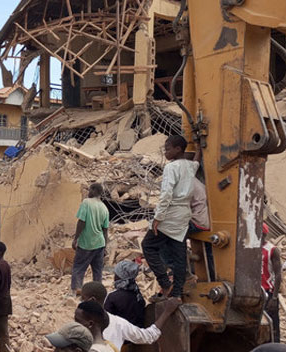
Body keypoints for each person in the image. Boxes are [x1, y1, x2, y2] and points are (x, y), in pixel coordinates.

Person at [142, 135, 200, 300]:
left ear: (178, 149)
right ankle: (176, 294)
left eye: (168, 149)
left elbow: (166, 194)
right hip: (184, 215)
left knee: (148, 245)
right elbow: (196, 161)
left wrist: (158, 217)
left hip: (171, 213)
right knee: (179, 254)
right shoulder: (190, 166)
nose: (165, 152)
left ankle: (166, 284)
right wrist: (199, 148)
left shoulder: (171, 168)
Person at [81, 281, 179, 351]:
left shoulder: (81, 322)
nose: (80, 301)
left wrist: (167, 311)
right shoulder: (119, 323)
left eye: (83, 298)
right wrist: (166, 312)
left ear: (92, 300)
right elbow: (148, 336)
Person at [71, 182, 110, 294]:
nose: (88, 192)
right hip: (100, 243)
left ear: (93, 190)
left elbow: (82, 221)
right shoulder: (104, 208)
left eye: (89, 190)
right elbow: (105, 229)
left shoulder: (86, 203)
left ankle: (77, 289)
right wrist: (105, 246)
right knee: (97, 270)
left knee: (79, 267)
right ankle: (97, 293)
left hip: (87, 242)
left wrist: (76, 238)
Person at [103, 260, 145, 327]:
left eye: (116, 274)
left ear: (119, 276)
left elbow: (106, 319)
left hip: (120, 333)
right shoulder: (137, 294)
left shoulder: (113, 297)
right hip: (137, 332)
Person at [261, 223, 282, 343]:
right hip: (256, 291)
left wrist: (274, 297)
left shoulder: (272, 250)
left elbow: (278, 274)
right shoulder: (251, 248)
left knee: (272, 324)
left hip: (268, 291)